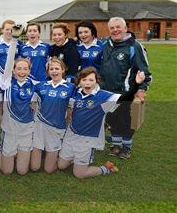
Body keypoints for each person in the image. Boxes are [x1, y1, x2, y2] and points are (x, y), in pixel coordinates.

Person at [58, 67, 146, 178]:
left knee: (79, 174)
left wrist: (137, 84)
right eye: (84, 80)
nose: (87, 83)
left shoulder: (103, 96)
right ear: (80, 81)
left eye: (91, 80)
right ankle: (77, 160)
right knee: (61, 166)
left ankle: (105, 168)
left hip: (87, 140)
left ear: (96, 81)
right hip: (70, 136)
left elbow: (125, 98)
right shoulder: (76, 94)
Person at [100, 17, 152, 159]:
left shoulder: (134, 46)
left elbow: (144, 71)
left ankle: (126, 147)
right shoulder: (105, 44)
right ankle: (116, 145)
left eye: (118, 27)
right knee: (111, 118)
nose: (115, 30)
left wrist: (141, 89)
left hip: (125, 92)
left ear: (125, 28)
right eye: (112, 28)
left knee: (125, 120)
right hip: (106, 92)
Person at [0, 39, 37, 175]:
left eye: (25, 69)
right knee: (7, 171)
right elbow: (8, 62)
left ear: (29, 70)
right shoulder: (7, 82)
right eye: (18, 68)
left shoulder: (34, 85)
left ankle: (17, 154)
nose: (22, 71)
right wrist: (13, 44)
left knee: (22, 171)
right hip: (10, 130)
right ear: (13, 70)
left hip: (26, 131)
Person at [30, 58, 75, 173]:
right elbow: (33, 104)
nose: (54, 71)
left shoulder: (70, 87)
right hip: (39, 126)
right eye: (51, 69)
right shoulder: (40, 86)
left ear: (63, 70)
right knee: (34, 167)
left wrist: (68, 126)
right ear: (48, 71)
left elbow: (70, 110)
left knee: (49, 170)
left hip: (57, 127)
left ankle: (69, 157)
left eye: (57, 68)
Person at [0, 20, 21, 85]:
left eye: (12, 30)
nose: (10, 32)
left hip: (12, 78)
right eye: (7, 29)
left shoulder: (19, 43)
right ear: (2, 30)